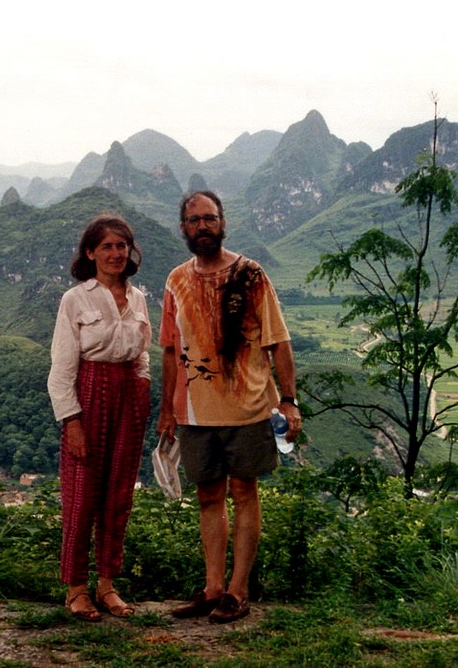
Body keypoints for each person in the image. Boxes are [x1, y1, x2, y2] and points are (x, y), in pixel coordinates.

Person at [157, 190, 302, 624]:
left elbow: (279, 342)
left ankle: (238, 591)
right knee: (207, 496)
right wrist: (168, 409)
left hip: (249, 407)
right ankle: (213, 588)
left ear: (223, 222)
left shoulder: (251, 274)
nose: (203, 226)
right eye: (195, 220)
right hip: (195, 412)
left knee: (244, 492)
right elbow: (169, 350)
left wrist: (289, 401)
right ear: (183, 228)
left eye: (210, 218)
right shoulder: (175, 281)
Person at [47, 214, 152, 621]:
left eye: (121, 246)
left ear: (130, 251)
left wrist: (142, 390)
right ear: (90, 253)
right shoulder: (76, 300)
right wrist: (71, 420)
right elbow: (61, 366)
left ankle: (107, 585)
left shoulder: (139, 299)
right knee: (81, 494)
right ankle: (76, 589)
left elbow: (142, 353)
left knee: (118, 495)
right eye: (106, 246)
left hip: (130, 396)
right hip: (89, 395)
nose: (115, 253)